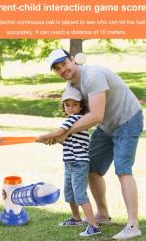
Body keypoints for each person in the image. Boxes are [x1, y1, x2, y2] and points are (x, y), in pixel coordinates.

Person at [45, 48, 144, 240]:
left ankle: (133, 225)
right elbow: (76, 118)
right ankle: (103, 214)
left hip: (128, 120)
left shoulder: (93, 75)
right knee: (91, 168)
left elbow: (96, 115)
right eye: (57, 68)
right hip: (106, 126)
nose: (62, 69)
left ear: (72, 59)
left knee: (123, 169)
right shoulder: (70, 87)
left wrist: (61, 133)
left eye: (64, 63)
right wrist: (59, 136)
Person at [36, 86, 101, 237]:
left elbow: (59, 133)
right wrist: (53, 140)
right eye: (67, 105)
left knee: (79, 194)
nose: (71, 108)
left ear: (81, 106)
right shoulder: (71, 121)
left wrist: (42, 137)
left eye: (74, 105)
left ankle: (93, 225)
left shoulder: (76, 119)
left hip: (79, 163)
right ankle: (76, 218)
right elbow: (64, 140)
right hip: (70, 162)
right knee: (69, 192)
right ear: (63, 106)